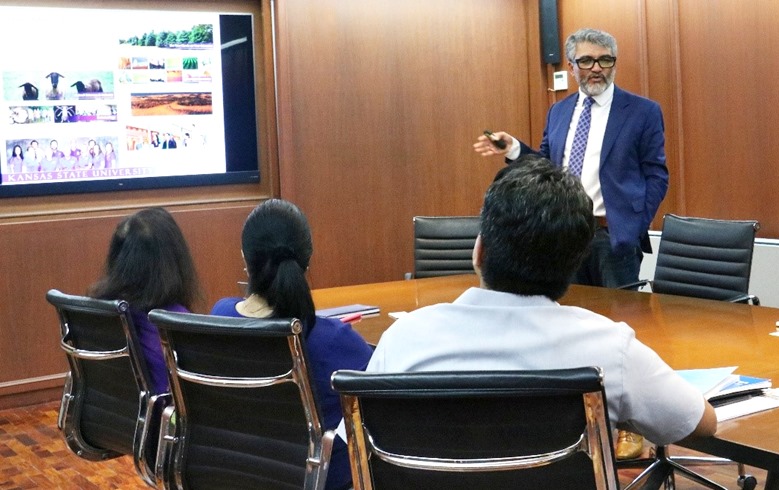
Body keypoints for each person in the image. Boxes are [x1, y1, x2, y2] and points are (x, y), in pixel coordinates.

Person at [361, 156, 715, 447]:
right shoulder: (609, 349)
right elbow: (699, 422)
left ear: (478, 251)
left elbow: (361, 434)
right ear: (574, 264)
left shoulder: (404, 337)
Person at [474, 27, 668, 289]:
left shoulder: (642, 111)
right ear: (571, 66)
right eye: (586, 60)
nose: (597, 68)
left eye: (605, 60)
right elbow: (547, 166)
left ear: (614, 63)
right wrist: (514, 149)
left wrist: (634, 225)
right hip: (563, 234)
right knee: (569, 312)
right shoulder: (559, 111)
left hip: (612, 236)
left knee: (623, 316)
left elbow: (657, 175)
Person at [211, 198, 372, 490]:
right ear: (307, 260)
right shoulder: (336, 340)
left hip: (233, 475)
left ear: (245, 258)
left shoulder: (219, 316)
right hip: (319, 481)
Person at [89, 208, 202, 393]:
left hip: (116, 419)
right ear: (174, 260)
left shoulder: (101, 312)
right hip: (166, 419)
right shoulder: (177, 324)